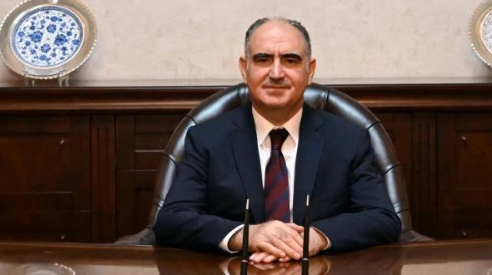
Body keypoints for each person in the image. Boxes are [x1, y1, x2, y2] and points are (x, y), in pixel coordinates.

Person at [154, 18, 400, 261]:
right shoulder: (207, 139)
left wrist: (317, 237)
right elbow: (172, 219)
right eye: (263, 59)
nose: (276, 73)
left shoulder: (347, 139)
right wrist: (246, 236)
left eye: (290, 60)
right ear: (244, 68)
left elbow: (382, 218)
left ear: (310, 70)